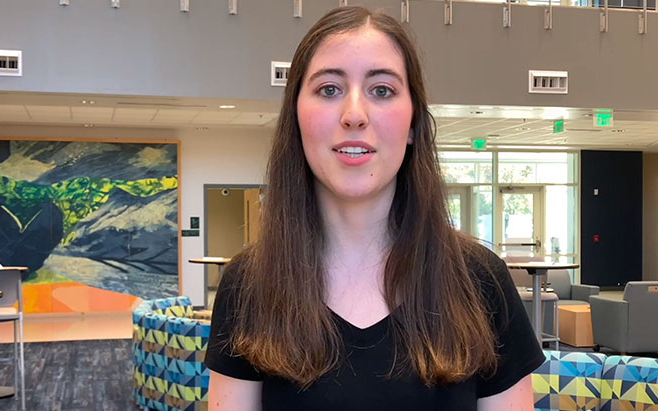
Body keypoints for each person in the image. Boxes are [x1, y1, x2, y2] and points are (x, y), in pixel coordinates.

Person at [204, 6, 544, 411]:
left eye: (382, 90)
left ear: (414, 122)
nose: (354, 115)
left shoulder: (480, 280)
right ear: (295, 117)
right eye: (329, 89)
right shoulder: (249, 284)